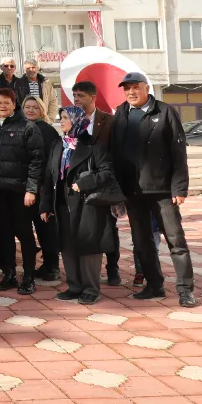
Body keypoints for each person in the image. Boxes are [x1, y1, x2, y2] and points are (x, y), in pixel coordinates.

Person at [111, 72, 196, 307]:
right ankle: (154, 285)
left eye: (135, 87)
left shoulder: (165, 111)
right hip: (133, 191)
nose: (131, 92)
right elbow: (115, 153)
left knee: (175, 240)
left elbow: (178, 151)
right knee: (142, 241)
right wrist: (118, 190)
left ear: (146, 88)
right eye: (126, 88)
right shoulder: (121, 113)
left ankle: (185, 289)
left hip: (163, 190)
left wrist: (179, 187)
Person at [40, 107, 117, 305]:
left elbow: (107, 173)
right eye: (61, 117)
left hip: (87, 204)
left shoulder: (94, 145)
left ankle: (91, 289)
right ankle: (74, 286)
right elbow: (49, 177)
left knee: (88, 246)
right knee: (67, 246)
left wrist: (84, 182)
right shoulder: (59, 145)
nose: (62, 121)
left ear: (78, 120)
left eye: (66, 117)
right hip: (62, 204)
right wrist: (45, 205)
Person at [0, 88, 44, 295]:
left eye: (6, 102)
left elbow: (36, 161)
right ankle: (9, 274)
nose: (2, 106)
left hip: (20, 192)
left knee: (24, 234)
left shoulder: (28, 128)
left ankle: (29, 276)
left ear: (14, 104)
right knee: (2, 234)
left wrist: (31, 190)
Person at [72, 80, 122, 286]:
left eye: (80, 96)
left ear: (93, 98)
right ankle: (86, 273)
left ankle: (113, 268)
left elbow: (118, 152)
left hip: (105, 181)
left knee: (109, 227)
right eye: (74, 96)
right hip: (81, 185)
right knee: (87, 228)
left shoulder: (110, 121)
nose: (76, 100)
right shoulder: (73, 121)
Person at [22, 96, 62, 281]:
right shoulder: (23, 127)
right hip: (26, 186)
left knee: (45, 229)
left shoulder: (46, 130)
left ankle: (51, 266)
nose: (30, 110)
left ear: (42, 109)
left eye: (34, 107)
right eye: (27, 107)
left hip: (42, 188)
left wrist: (41, 187)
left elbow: (48, 162)